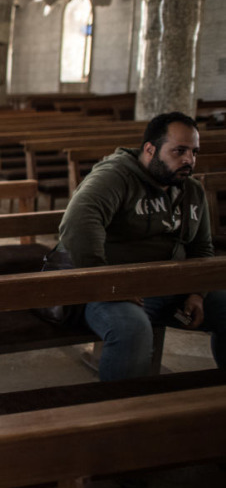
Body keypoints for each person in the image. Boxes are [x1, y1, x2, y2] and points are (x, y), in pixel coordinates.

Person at [57, 111, 226, 382]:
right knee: (133, 330)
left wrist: (197, 293)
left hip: (171, 287)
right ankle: (123, 416)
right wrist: (109, 285)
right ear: (150, 149)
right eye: (179, 151)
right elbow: (77, 226)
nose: (189, 160)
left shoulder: (191, 190)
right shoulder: (115, 176)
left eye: (194, 152)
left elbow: (201, 247)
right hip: (112, 288)